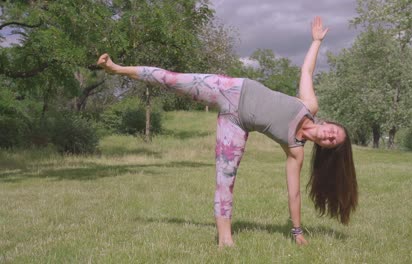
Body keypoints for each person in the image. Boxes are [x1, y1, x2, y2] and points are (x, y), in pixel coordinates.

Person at [97, 16, 357, 247]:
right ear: (327, 124)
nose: (329, 135)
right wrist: (316, 42)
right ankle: (116, 68)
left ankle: (226, 240)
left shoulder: (295, 150)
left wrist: (297, 230)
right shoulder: (308, 105)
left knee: (225, 178)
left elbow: (294, 192)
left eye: (333, 141)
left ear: (327, 148)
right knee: (171, 79)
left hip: (236, 123)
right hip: (231, 88)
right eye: (333, 131)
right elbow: (307, 71)